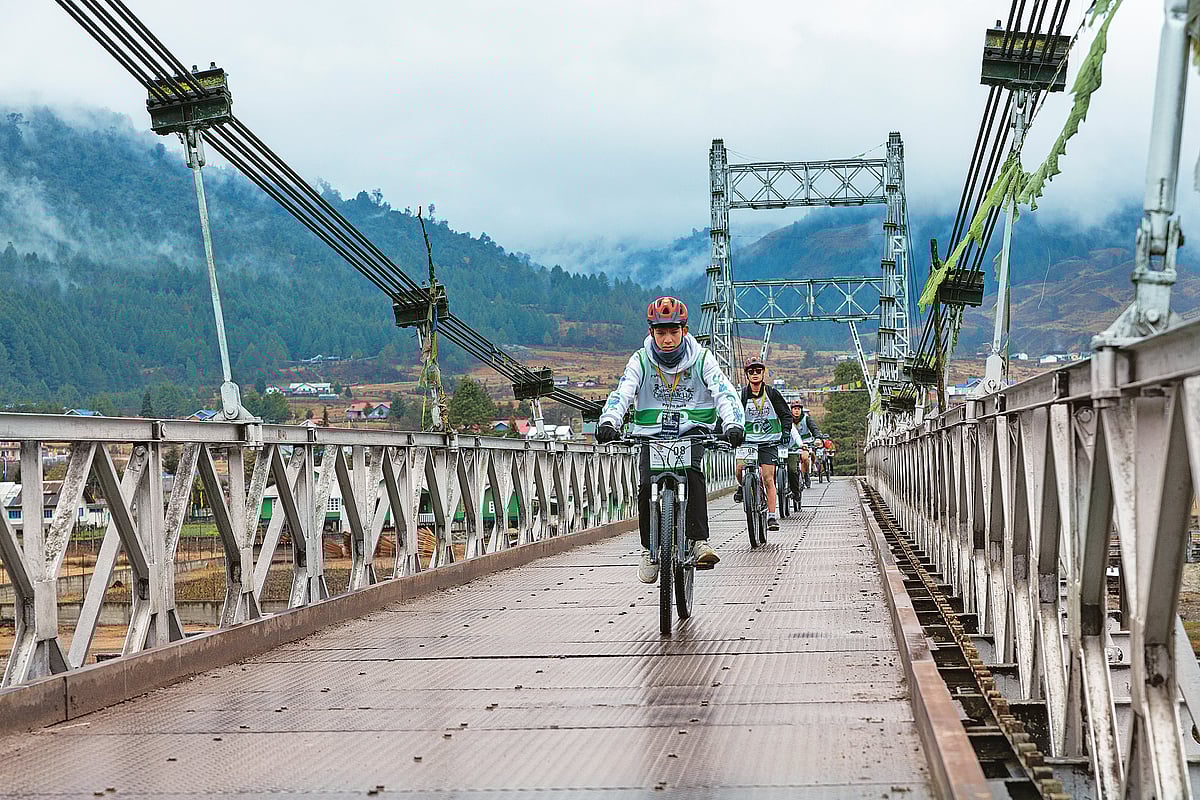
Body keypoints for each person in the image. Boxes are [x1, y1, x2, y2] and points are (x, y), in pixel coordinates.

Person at [596, 297, 745, 583]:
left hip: (691, 430)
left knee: (693, 474)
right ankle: (648, 548)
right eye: (660, 332)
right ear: (651, 332)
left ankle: (699, 540)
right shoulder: (640, 360)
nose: (667, 339)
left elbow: (723, 392)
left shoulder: (702, 359)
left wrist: (733, 423)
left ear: (684, 331)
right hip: (650, 433)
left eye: (673, 332)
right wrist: (609, 421)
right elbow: (622, 393)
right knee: (644, 486)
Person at [732, 355, 791, 531]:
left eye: (759, 371)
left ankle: (772, 517)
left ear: (763, 373)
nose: (755, 374)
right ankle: (744, 488)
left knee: (768, 478)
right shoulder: (742, 395)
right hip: (747, 442)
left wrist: (786, 431)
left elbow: (785, 414)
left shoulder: (772, 394)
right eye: (751, 371)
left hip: (769, 442)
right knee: (739, 470)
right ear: (747, 375)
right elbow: (732, 415)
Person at [786, 401, 822, 501]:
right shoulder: (787, 419)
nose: (797, 411)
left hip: (805, 443)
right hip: (792, 445)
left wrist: (818, 437)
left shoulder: (806, 419)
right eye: (794, 409)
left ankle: (806, 474)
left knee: (805, 457)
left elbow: (814, 429)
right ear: (791, 410)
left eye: (798, 409)